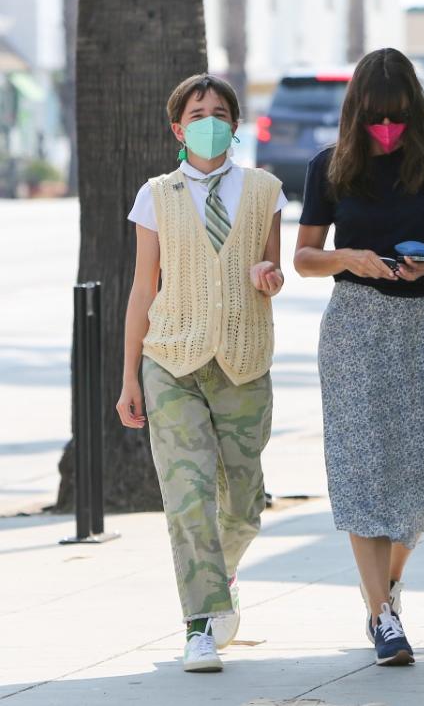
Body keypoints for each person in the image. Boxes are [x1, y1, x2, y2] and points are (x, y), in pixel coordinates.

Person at [294, 48, 424, 666]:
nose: (387, 128)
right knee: (362, 471)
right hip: (355, 328)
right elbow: (304, 257)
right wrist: (350, 258)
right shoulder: (331, 165)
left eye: (397, 115)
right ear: (357, 112)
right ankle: (382, 617)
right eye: (376, 116)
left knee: (423, 482)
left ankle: (389, 584)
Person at [116, 73, 286, 673]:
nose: (209, 120)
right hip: (172, 361)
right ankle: (199, 625)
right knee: (187, 496)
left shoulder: (265, 190)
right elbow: (143, 290)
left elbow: (272, 267)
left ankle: (222, 573)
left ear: (235, 125)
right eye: (197, 112)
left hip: (243, 361)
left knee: (242, 506)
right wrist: (130, 377)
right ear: (178, 128)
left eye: (219, 111)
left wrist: (269, 275)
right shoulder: (156, 195)